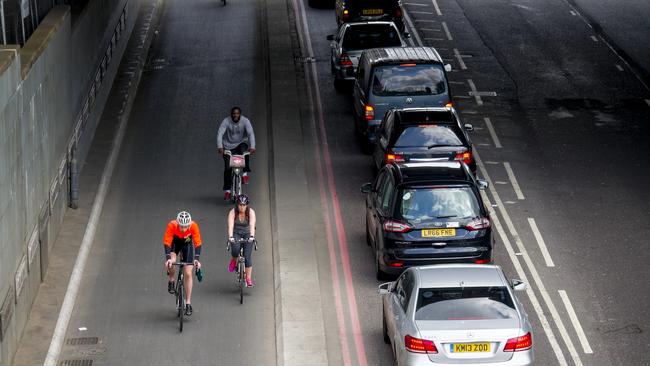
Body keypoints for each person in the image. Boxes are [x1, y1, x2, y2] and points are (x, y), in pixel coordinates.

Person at [164, 211, 202, 316]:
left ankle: (188, 303)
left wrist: (196, 259)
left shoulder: (194, 226)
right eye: (181, 226)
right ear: (178, 223)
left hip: (187, 245)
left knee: (188, 273)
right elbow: (167, 242)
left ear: (189, 224)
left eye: (186, 226)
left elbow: (198, 243)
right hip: (175, 244)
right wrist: (168, 259)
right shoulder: (172, 225)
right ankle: (171, 280)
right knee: (172, 262)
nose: (184, 229)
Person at [217, 107, 256, 201]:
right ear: (231, 114)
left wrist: (253, 146)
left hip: (240, 143)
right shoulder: (226, 121)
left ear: (240, 114)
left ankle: (245, 174)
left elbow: (250, 133)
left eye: (237, 113)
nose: (235, 115)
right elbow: (220, 133)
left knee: (244, 152)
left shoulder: (245, 121)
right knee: (227, 168)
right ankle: (227, 191)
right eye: (234, 113)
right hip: (228, 146)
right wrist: (220, 147)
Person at [227, 194, 257, 287]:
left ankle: (248, 278)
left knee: (247, 257)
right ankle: (234, 259)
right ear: (237, 205)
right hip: (236, 233)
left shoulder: (251, 212)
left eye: (244, 205)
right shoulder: (233, 212)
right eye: (240, 205)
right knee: (235, 249)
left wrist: (251, 236)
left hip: (247, 233)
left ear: (247, 205)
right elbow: (230, 226)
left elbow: (252, 226)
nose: (242, 207)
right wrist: (231, 237)